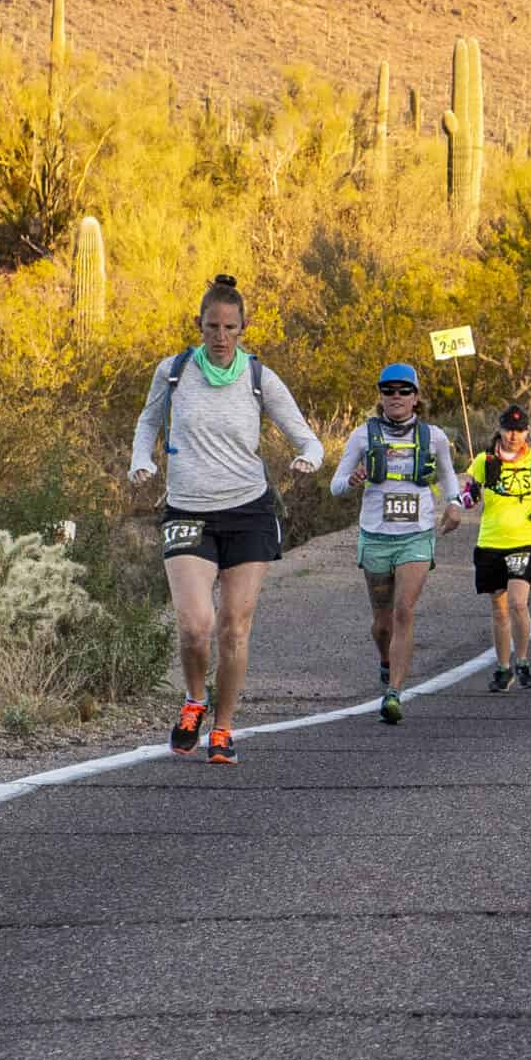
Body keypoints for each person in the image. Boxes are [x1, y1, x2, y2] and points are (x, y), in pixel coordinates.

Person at [129, 274, 324, 767]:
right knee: (196, 625)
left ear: (243, 330)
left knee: (234, 627)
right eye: (212, 326)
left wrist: (308, 460)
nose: (220, 336)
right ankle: (195, 699)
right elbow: (148, 421)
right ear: (198, 326)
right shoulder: (173, 372)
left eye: (230, 327)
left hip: (248, 510)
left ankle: (223, 727)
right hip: (188, 509)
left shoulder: (259, 378)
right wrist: (142, 461)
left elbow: (308, 439)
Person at [330, 364, 462, 725]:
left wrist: (455, 504)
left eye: (404, 391)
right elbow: (335, 485)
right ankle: (386, 661)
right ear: (381, 396)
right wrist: (354, 479)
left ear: (416, 397)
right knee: (383, 621)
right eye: (389, 391)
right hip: (375, 535)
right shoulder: (362, 436)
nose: (396, 398)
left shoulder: (433, 436)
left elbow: (450, 477)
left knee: (405, 610)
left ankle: (394, 693)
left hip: (416, 535)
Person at [462, 406, 531, 692]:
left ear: (527, 431)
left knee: (518, 602)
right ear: (500, 430)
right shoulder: (484, 460)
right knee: (499, 607)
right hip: (491, 541)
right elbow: (469, 495)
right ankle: (503, 668)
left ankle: (524, 661)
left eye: (519, 430)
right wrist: (469, 498)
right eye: (508, 430)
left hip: (524, 539)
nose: (513, 436)